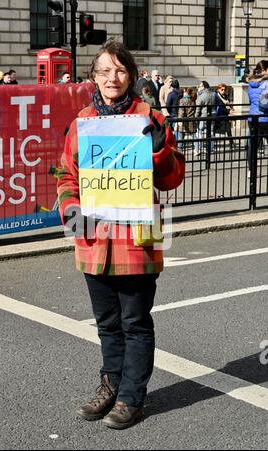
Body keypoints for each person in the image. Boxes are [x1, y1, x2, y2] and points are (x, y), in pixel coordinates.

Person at [57, 40, 185, 430]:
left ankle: (132, 397)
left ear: (130, 75)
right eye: (104, 71)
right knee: (107, 323)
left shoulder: (150, 118)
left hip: (138, 237)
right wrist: (71, 213)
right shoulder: (81, 123)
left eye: (120, 70)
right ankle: (110, 384)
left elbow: (172, 179)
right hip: (94, 238)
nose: (112, 78)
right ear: (94, 77)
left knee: (135, 322)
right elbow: (66, 175)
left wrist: (162, 152)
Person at [247, 60, 268, 175]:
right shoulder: (266, 82)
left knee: (253, 145)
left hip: (253, 117)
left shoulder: (251, 82)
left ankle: (251, 170)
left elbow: (251, 100)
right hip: (265, 117)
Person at [194, 80, 216, 156]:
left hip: (203, 116)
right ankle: (210, 149)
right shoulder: (213, 94)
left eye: (199, 86)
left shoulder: (201, 96)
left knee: (199, 132)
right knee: (211, 132)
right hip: (212, 116)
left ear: (203, 87)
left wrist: (195, 117)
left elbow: (198, 108)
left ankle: (198, 149)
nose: (198, 87)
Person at [213, 83, 234, 147]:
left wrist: (231, 109)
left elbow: (226, 105)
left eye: (225, 89)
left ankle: (231, 144)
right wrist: (229, 111)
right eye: (222, 89)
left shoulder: (225, 95)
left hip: (225, 115)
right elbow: (220, 107)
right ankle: (212, 143)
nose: (223, 91)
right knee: (214, 129)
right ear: (218, 89)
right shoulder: (216, 97)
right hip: (218, 115)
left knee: (228, 130)